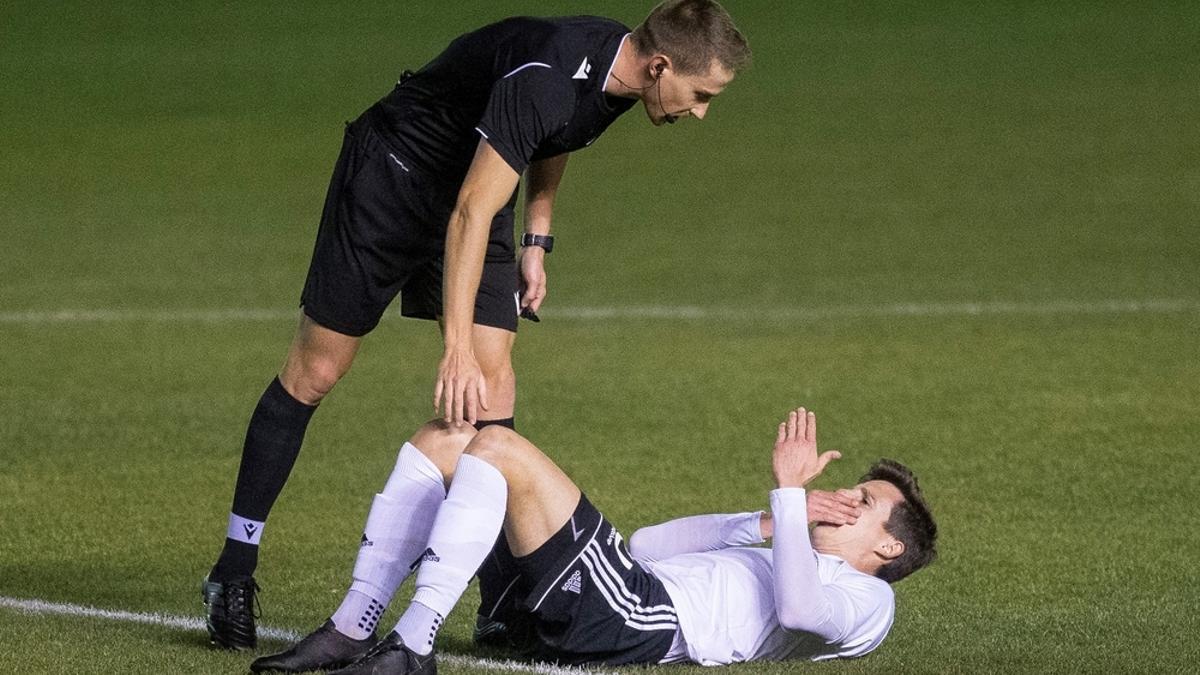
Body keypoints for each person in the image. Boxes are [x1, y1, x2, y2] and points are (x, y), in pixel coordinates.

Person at [201, 0, 751, 649]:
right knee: (318, 369)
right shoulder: (550, 74)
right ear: (661, 65)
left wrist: (537, 237)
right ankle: (233, 569)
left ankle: (501, 600)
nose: (701, 110)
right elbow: (469, 209)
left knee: (493, 392)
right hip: (394, 178)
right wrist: (455, 346)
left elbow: (555, 137)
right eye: (702, 93)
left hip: (477, 193)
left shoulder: (616, 72)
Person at [249, 408, 938, 672]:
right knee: (449, 438)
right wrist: (766, 517)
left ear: (888, 549)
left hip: (638, 619)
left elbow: (797, 610)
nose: (846, 498)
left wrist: (791, 497)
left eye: (866, 503)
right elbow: (645, 543)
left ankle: (413, 648)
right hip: (622, 588)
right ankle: (353, 625)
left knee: (497, 446)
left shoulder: (868, 604)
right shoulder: (778, 547)